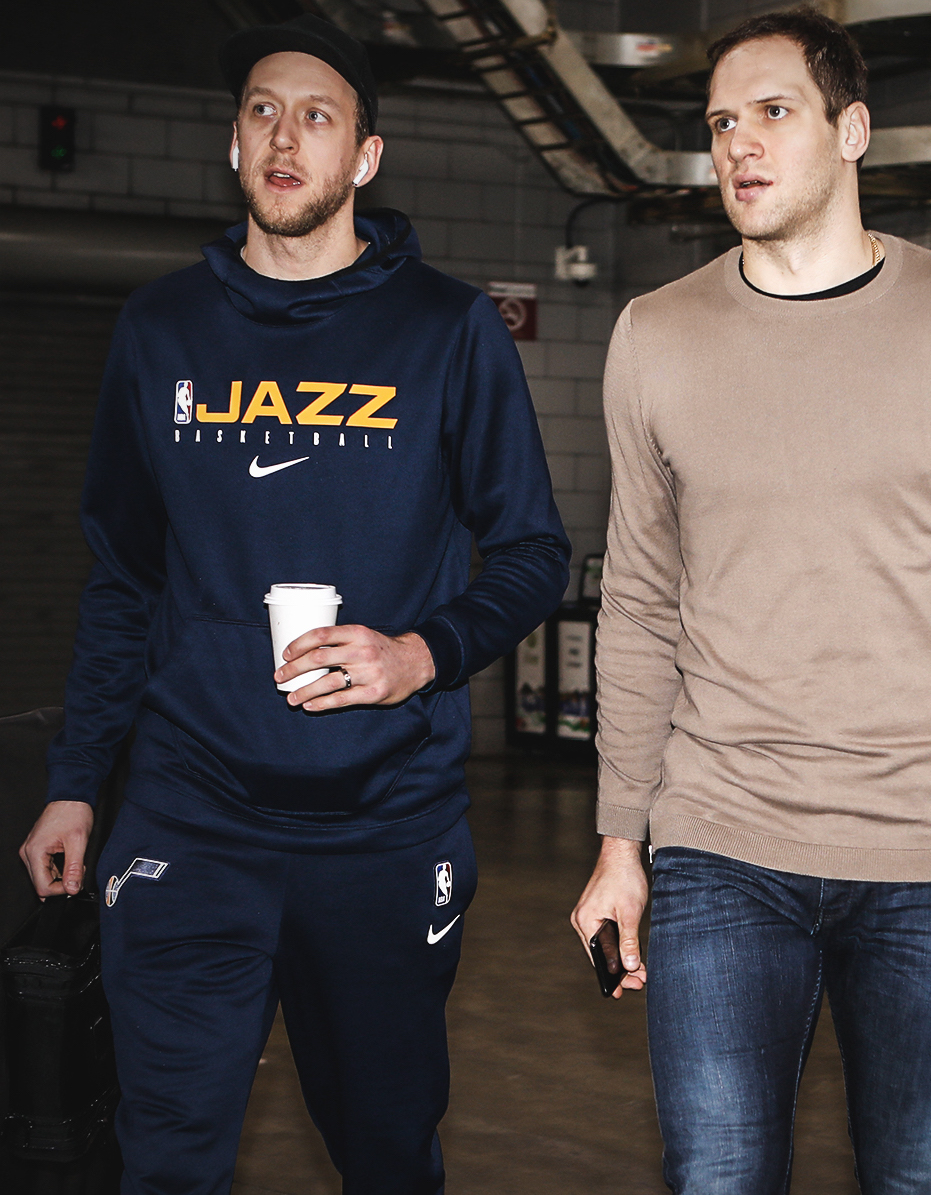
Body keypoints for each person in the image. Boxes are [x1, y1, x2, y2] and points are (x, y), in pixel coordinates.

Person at [570, 10, 931, 1193]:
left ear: (852, 130)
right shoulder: (654, 335)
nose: (739, 143)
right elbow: (636, 602)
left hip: (927, 846)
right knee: (716, 1173)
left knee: (915, 1174)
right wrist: (620, 840)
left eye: (773, 112)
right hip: (719, 835)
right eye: (722, 121)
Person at [19, 14, 569, 1195]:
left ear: (363, 158)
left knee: (383, 1150)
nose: (284, 135)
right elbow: (123, 578)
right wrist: (75, 781)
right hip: (189, 816)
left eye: (317, 115)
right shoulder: (160, 330)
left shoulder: (447, 330)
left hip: (382, 826)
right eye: (262, 110)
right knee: (162, 1151)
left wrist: (423, 653)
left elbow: (531, 552)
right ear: (231, 145)